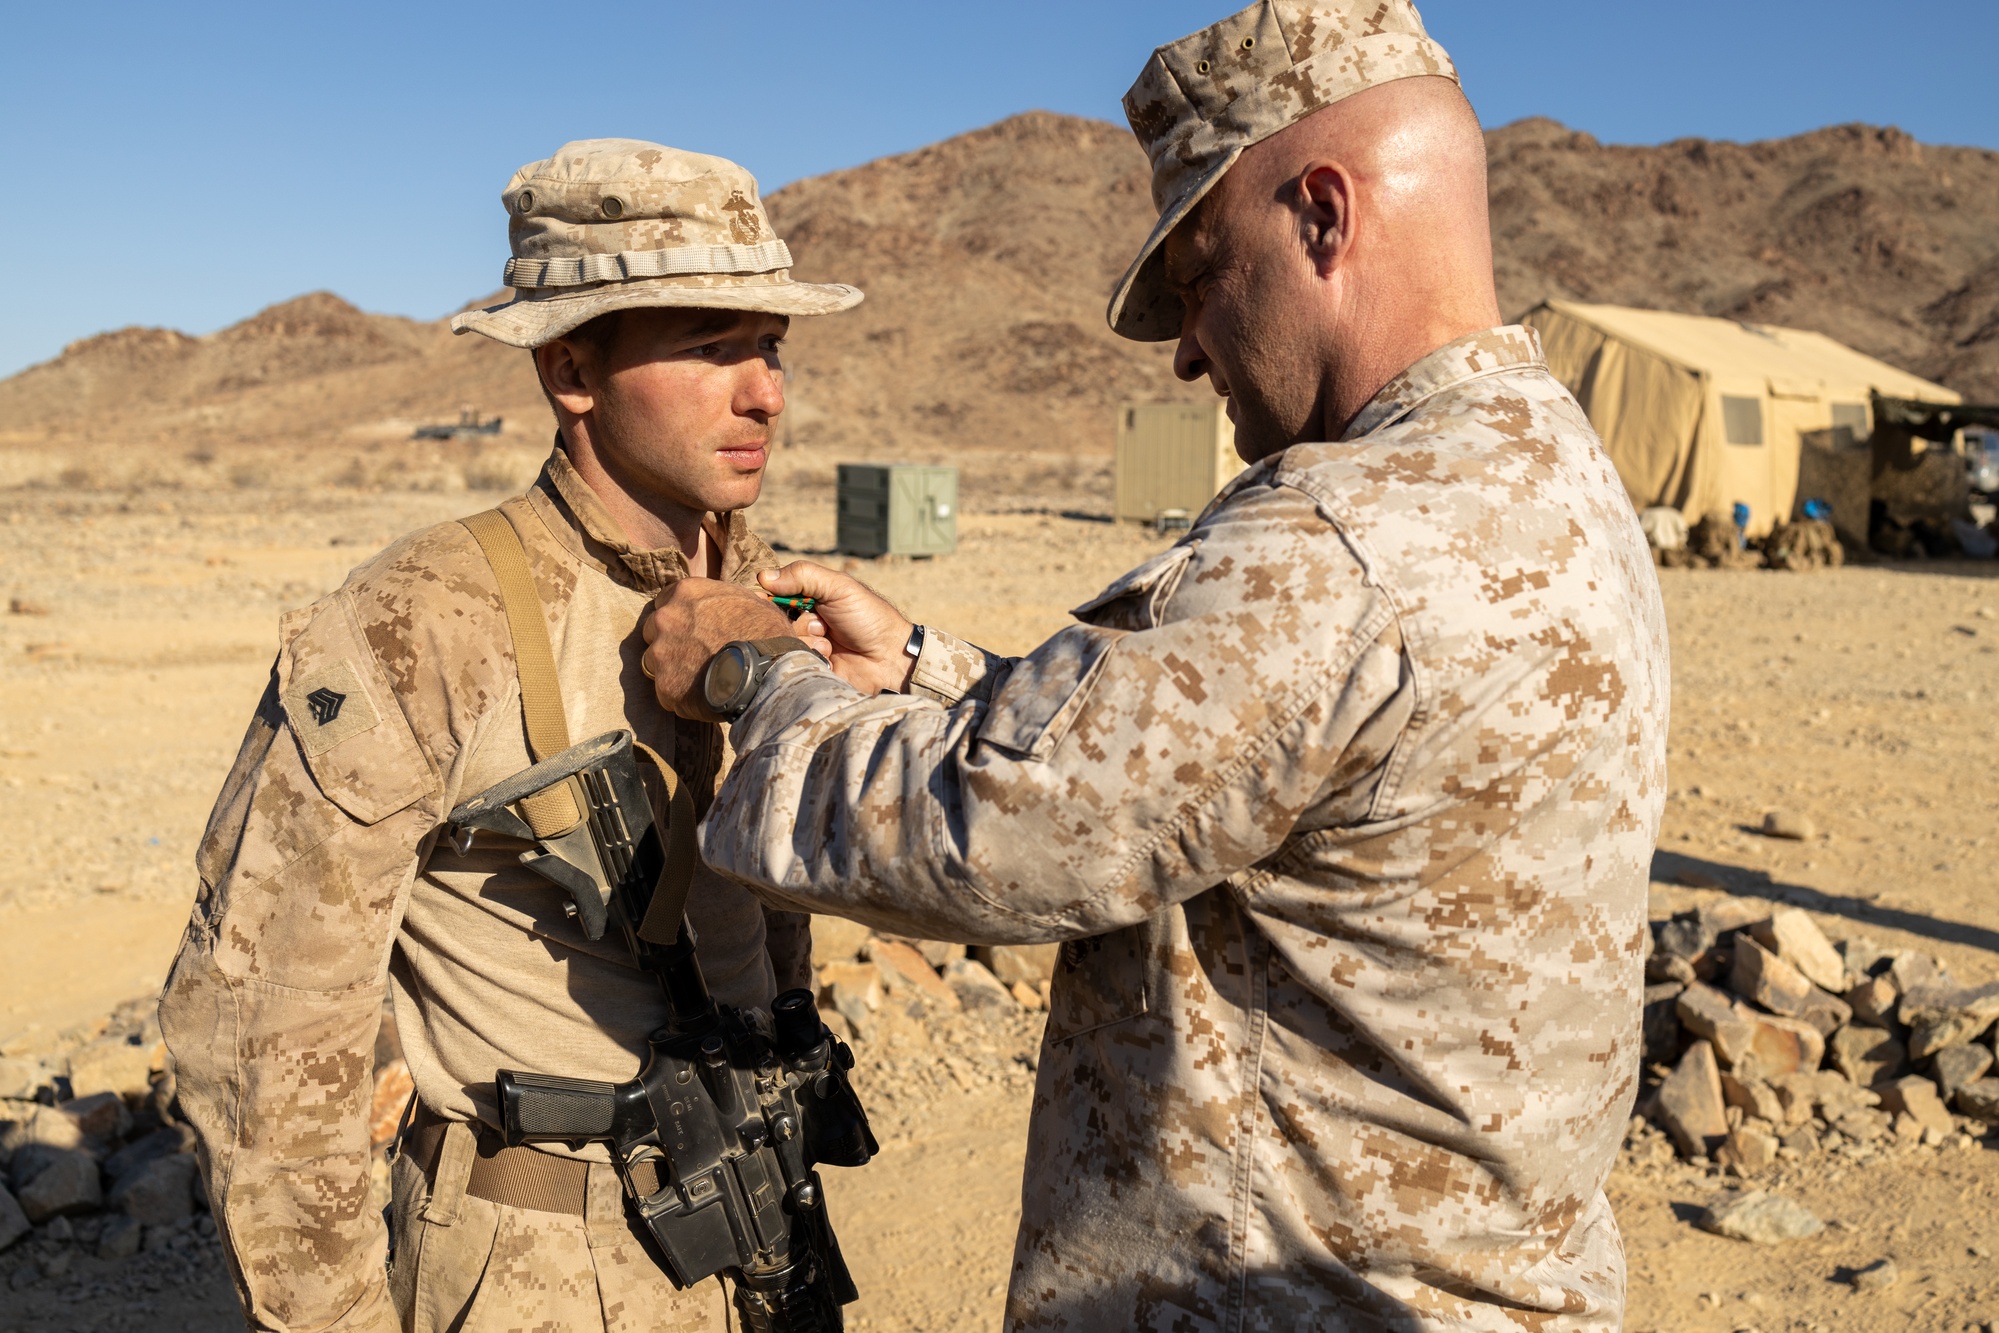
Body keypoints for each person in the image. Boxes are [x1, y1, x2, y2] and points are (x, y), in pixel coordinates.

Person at [641, 3, 1670, 1329]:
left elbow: (997, 835)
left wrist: (759, 677)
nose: (1187, 347)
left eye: (1196, 277)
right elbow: (1235, 750)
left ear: (1320, 217)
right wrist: (912, 663)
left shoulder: (1343, 537)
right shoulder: (1539, 469)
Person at [159, 139, 863, 1333]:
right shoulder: (425, 620)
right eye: (708, 345)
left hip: (757, 1216)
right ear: (570, 369)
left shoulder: (764, 592)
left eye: (771, 346)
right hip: (550, 1268)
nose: (766, 394)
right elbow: (262, 1033)